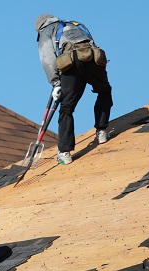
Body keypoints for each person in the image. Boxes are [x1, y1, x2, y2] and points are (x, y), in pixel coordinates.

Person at [35, 14, 113, 165]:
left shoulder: (46, 31)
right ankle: (102, 132)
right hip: (91, 57)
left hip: (72, 62)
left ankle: (64, 153)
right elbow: (91, 42)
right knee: (104, 90)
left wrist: (56, 82)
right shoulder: (75, 24)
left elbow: (48, 59)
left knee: (66, 107)